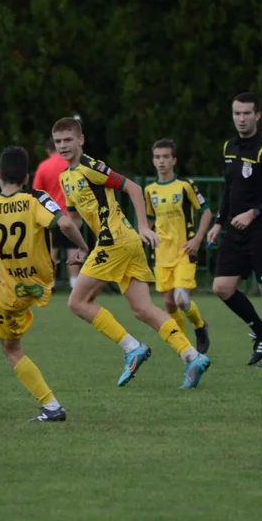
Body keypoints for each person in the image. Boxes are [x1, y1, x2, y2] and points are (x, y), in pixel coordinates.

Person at [52, 117, 211, 389]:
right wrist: (80, 247)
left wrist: (142, 225)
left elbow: (133, 188)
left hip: (115, 240)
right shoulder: (65, 178)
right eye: (58, 141)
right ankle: (191, 355)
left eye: (69, 140)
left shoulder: (91, 167)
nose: (63, 145)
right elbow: (75, 219)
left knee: (77, 303)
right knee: (142, 309)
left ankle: (132, 348)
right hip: (121, 243)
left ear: (81, 140)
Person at [0, 146, 89, 422]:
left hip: (13, 292)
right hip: (39, 278)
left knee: (11, 349)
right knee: (2, 278)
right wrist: (82, 246)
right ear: (26, 178)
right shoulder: (35, 201)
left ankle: (51, 407)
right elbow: (64, 224)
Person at [205, 92, 262, 368]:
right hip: (235, 229)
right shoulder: (229, 147)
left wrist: (253, 213)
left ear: (257, 115)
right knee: (221, 287)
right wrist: (218, 222)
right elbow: (229, 188)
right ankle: (261, 330)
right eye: (237, 114)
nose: (241, 119)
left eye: (246, 113)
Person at [143, 139, 212, 354]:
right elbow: (149, 221)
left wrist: (197, 239)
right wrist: (143, 235)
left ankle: (199, 326)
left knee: (181, 300)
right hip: (162, 254)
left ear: (174, 160)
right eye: (157, 157)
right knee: (169, 304)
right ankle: (187, 348)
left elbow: (207, 212)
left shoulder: (185, 185)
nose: (161, 161)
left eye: (165, 157)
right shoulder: (149, 190)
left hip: (184, 251)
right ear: (153, 161)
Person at [32, 137, 80, 288]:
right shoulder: (71, 165)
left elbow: (37, 192)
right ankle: (75, 282)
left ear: (48, 151)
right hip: (71, 215)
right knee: (72, 248)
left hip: (51, 215)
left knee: (52, 250)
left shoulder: (44, 167)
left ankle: (50, 283)